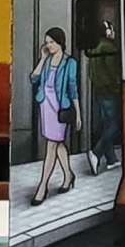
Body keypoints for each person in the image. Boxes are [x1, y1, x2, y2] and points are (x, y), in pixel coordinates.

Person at [30, 27, 81, 205]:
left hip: (60, 108)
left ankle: (42, 186)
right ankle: (68, 175)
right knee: (57, 144)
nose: (48, 45)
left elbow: (73, 88)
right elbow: (34, 78)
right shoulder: (47, 59)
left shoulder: (70, 62)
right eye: (47, 42)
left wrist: (78, 113)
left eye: (52, 42)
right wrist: (42, 59)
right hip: (45, 105)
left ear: (60, 42)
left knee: (52, 145)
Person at [85, 19, 121, 176]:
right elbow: (113, 72)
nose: (113, 31)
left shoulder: (94, 48)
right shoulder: (109, 47)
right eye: (110, 29)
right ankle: (96, 152)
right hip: (110, 91)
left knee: (107, 124)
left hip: (99, 91)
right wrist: (118, 87)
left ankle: (111, 159)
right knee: (115, 125)